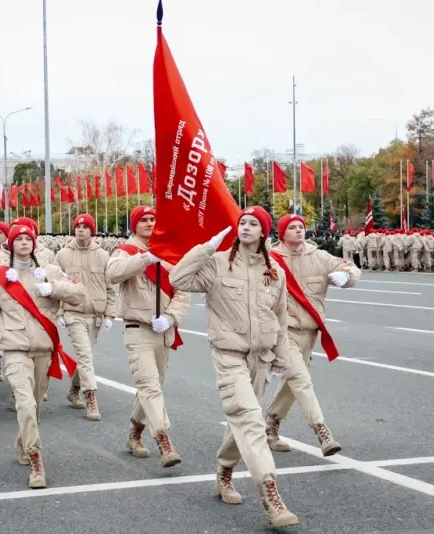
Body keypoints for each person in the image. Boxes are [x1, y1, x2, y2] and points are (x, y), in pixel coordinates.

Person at [170, 206, 298, 527]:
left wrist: (282, 359)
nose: (246, 227)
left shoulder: (275, 273)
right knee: (251, 420)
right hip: (228, 355)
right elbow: (178, 278)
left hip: (261, 358)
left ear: (263, 232)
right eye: (242, 222)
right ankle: (271, 497)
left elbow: (280, 319)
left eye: (254, 223)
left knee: (242, 420)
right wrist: (206, 247)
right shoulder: (217, 264)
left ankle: (225, 469)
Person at [0, 224, 84, 488]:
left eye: (28, 238)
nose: (24, 242)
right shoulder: (1, 276)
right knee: (24, 405)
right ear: (10, 244)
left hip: (43, 349)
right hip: (14, 349)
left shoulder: (49, 272)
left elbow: (80, 296)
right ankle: (36, 460)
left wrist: (55, 288)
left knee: (34, 408)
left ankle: (22, 443)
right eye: (19, 239)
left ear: (34, 243)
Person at [266, 214, 360, 456]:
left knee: (292, 382)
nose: (298, 231)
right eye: (292, 228)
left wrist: (347, 277)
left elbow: (350, 267)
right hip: (282, 332)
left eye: (301, 227)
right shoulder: (270, 259)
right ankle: (322, 431)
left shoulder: (319, 256)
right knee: (301, 380)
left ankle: (271, 426)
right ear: (282, 233)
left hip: (310, 332)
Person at [106, 206, 190, 468]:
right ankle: (163, 439)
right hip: (137, 329)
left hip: (163, 330)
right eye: (144, 220)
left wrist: (171, 317)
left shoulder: (170, 251)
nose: (149, 223)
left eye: (153, 219)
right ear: (135, 225)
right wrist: (145, 258)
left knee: (152, 386)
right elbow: (113, 273)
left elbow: (183, 291)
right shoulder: (126, 251)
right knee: (149, 385)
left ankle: (135, 432)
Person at [55, 214, 116, 421]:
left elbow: (110, 288)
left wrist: (109, 314)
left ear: (92, 231)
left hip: (95, 315)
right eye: (78, 226)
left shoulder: (103, 256)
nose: (80, 230)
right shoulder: (63, 255)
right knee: (85, 357)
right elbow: (55, 286)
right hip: (73, 313)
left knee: (85, 358)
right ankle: (91, 397)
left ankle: (74, 390)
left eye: (85, 227)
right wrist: (59, 312)